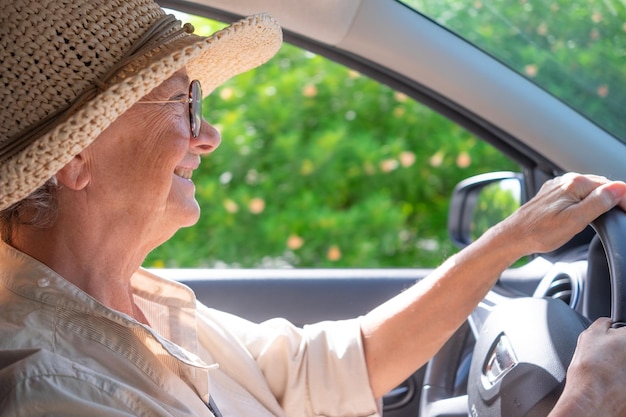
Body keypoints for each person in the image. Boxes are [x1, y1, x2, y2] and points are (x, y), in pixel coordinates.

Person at [0, 0, 625, 416]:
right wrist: (589, 399)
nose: (208, 133)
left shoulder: (136, 307)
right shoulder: (54, 390)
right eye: (182, 102)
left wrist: (508, 240)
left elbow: (324, 367)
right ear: (74, 158)